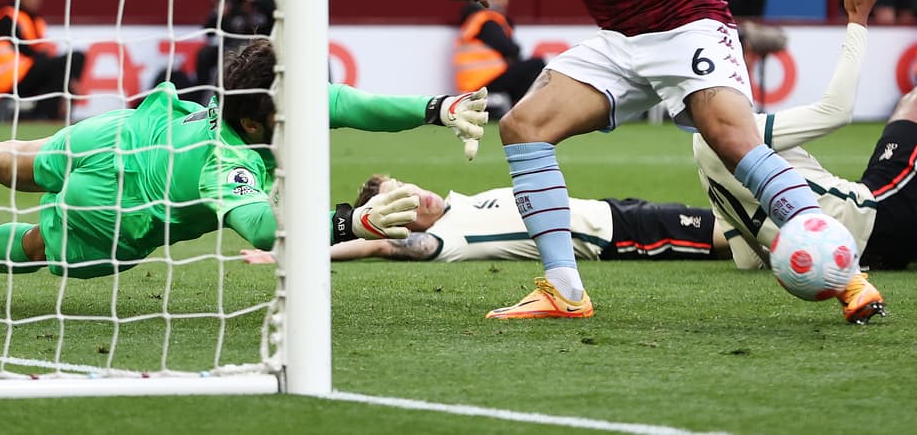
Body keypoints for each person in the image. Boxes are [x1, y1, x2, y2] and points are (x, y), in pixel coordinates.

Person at [409, 0, 885, 324]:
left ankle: (847, 274)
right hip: (619, 43)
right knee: (522, 127)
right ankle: (565, 292)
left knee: (731, 140)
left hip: (692, 26)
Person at [0, 40, 490, 296]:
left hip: (139, 129)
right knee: (37, 240)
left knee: (7, 158)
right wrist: (353, 222)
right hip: (123, 202)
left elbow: (356, 103)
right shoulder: (232, 160)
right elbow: (268, 232)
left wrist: (439, 106)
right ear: (256, 123)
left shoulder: (256, 103)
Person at [695, 0, 917, 279]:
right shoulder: (739, 128)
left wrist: (799, 252)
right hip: (876, 215)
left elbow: (748, 259)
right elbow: (836, 111)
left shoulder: (703, 160)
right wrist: (857, 18)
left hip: (859, 253)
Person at [243, 175, 728, 264]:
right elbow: (375, 246)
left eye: (406, 187)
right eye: (403, 203)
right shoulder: (446, 240)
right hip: (622, 237)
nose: (416, 196)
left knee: (736, 225)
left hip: (611, 207)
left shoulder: (460, 202)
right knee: (731, 234)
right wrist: (286, 253)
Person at [0, 0, 85, 120]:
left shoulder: (37, 21)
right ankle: (50, 114)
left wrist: (70, 78)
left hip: (31, 74)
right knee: (60, 64)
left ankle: (55, 110)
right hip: (11, 80)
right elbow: (24, 49)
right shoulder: (5, 16)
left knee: (74, 59)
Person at [453, 0, 546, 107]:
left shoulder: (475, 20)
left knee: (525, 70)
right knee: (536, 64)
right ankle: (524, 109)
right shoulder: (486, 19)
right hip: (483, 82)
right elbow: (510, 49)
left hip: (476, 83)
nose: (500, 0)